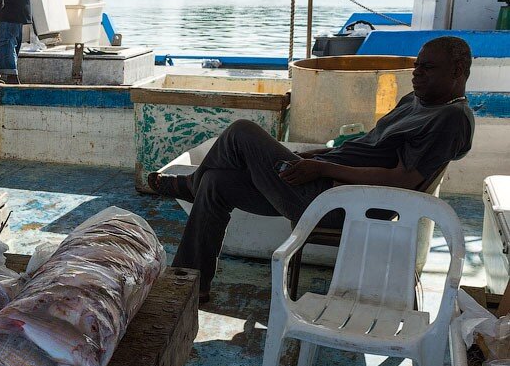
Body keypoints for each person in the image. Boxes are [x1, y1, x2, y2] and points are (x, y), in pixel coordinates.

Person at [149, 36, 475, 302]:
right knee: (216, 183)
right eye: (417, 66)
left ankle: (190, 184)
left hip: (340, 204)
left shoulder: (450, 119)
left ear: (458, 71)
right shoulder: (416, 100)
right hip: (325, 184)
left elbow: (402, 181)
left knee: (241, 132)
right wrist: (323, 155)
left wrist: (321, 169)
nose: (417, 73)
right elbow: (371, 144)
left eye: (428, 68)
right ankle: (192, 283)